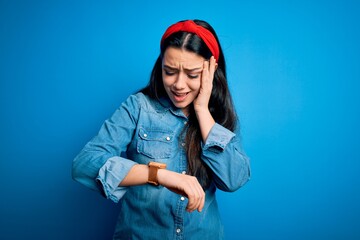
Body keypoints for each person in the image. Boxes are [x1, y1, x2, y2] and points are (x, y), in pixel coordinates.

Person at [72, 19, 251, 240]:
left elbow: (234, 180)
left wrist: (202, 110)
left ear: (210, 71)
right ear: (160, 66)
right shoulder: (138, 107)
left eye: (192, 75)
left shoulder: (217, 116)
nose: (178, 84)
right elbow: (84, 165)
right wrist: (158, 175)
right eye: (170, 71)